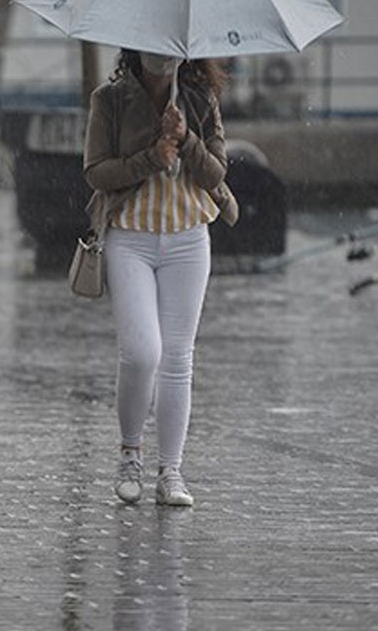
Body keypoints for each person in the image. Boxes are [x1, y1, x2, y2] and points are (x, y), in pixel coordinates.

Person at [82, 49, 238, 507]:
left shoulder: (200, 97)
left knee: (177, 358)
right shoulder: (109, 99)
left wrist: (186, 138)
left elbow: (216, 171)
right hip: (130, 236)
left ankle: (171, 469)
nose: (162, 59)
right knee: (141, 352)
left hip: (189, 237)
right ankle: (130, 451)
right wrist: (152, 156)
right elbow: (96, 172)